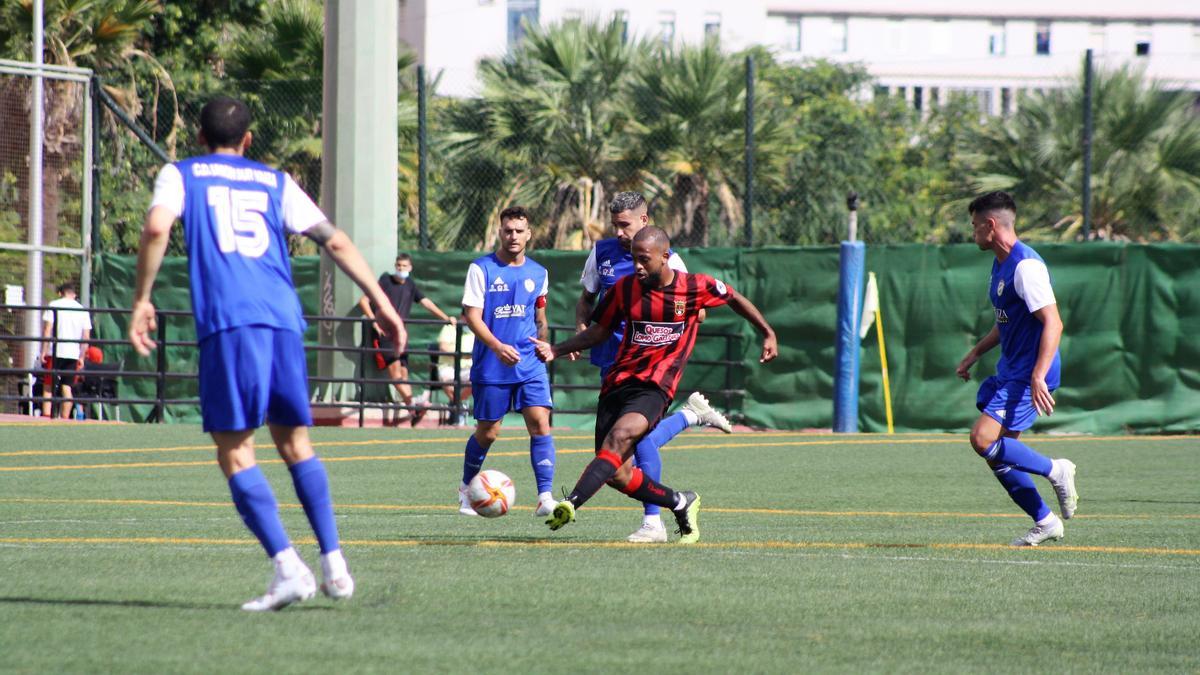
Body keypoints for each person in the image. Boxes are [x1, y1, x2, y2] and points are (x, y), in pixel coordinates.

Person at [129, 95, 406, 611]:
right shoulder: (275, 181)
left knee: (236, 451)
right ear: (248, 139)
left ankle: (287, 567)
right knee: (296, 443)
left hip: (230, 321)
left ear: (198, 137)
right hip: (283, 319)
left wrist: (142, 299)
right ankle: (335, 566)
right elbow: (336, 241)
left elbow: (155, 228)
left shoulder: (181, 173)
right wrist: (383, 302)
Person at [532, 226, 778, 544]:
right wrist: (557, 349)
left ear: (665, 257)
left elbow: (734, 298)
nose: (637, 266)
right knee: (616, 473)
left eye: (644, 260)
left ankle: (572, 502)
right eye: (634, 259)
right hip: (617, 382)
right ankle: (681, 502)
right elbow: (599, 332)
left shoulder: (694, 287)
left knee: (621, 436)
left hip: (656, 387)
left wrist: (768, 332)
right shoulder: (624, 289)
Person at [576, 191, 733, 544]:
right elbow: (587, 298)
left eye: (625, 225)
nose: (618, 232)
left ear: (644, 221)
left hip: (651, 369)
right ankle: (689, 417)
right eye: (614, 224)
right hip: (612, 363)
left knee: (635, 441)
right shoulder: (601, 252)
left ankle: (654, 522)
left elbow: (699, 309)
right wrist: (581, 331)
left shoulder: (670, 261)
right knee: (623, 447)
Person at [956, 191, 1079, 547]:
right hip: (1012, 369)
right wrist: (975, 353)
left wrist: (1038, 375)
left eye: (976, 225)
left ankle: (1057, 469)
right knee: (1000, 456)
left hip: (1028, 374)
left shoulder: (1026, 266)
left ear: (991, 226)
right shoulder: (1000, 264)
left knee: (982, 439)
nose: (973, 232)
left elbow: (1053, 323)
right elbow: (1005, 322)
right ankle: (1045, 522)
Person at [457, 206, 558, 518]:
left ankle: (545, 497)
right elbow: (471, 316)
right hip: (492, 363)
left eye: (519, 230)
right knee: (488, 431)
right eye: (507, 230)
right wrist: (498, 346)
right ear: (500, 233)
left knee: (540, 422)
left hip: (529, 363)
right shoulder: (481, 269)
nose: (513, 236)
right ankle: (465, 490)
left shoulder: (538, 273)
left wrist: (544, 343)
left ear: (529, 234)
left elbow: (539, 316)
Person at [357, 253, 455, 426]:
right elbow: (363, 301)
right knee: (395, 375)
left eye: (404, 266)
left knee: (403, 374)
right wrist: (374, 323)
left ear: (410, 268)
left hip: (402, 336)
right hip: (386, 335)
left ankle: (412, 409)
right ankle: (413, 405)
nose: (401, 269)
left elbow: (426, 302)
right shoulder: (385, 281)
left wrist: (446, 318)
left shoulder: (410, 284)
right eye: (398, 265)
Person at [40, 281, 91, 419]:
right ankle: (65, 419)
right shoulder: (82, 309)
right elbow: (86, 336)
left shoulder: (54, 305)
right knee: (67, 387)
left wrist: (43, 350)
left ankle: (46, 416)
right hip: (72, 353)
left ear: (60, 293)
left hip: (55, 351)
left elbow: (47, 329)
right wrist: (81, 356)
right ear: (74, 294)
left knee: (48, 385)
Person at [434, 318, 473, 425]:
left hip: (468, 368)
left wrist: (460, 354)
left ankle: (456, 406)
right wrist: (463, 355)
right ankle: (459, 408)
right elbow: (443, 347)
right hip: (448, 367)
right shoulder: (449, 327)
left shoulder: (477, 328)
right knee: (446, 380)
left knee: (477, 379)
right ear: (462, 315)